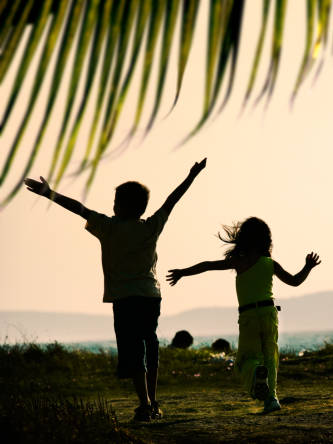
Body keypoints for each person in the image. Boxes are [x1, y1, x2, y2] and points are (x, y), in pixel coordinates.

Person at [24, 158, 206, 422]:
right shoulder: (150, 226)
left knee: (133, 351)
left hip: (123, 299)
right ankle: (153, 403)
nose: (112, 206)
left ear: (122, 206)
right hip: (150, 297)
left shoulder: (108, 227)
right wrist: (192, 175)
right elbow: (171, 200)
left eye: (115, 202)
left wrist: (48, 193)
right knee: (149, 345)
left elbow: (79, 209)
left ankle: (144, 404)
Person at [167, 216, 321, 414]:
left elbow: (207, 265)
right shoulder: (270, 263)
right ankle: (271, 398)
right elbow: (295, 281)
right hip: (269, 313)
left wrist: (182, 272)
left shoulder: (239, 261)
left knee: (245, 360)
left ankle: (256, 374)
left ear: (243, 239)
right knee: (270, 358)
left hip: (248, 316)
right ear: (267, 240)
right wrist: (308, 267)